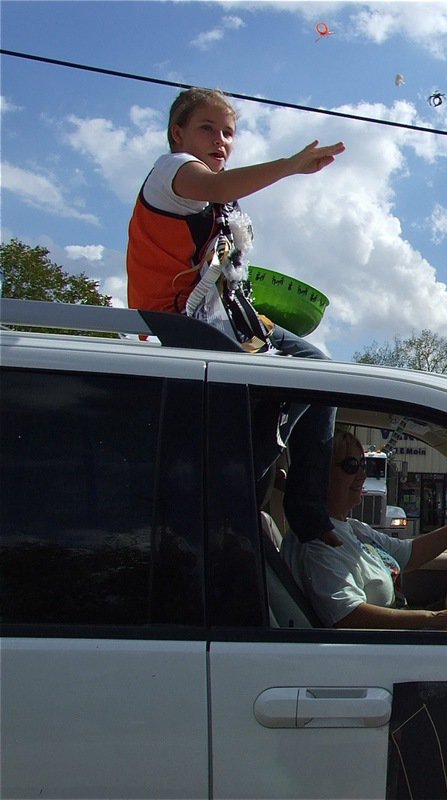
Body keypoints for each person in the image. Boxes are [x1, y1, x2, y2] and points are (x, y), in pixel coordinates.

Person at [127, 87, 346, 547]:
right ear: (178, 133)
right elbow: (214, 185)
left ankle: (301, 512)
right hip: (179, 326)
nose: (220, 140)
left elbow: (227, 270)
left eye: (228, 133)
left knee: (320, 371)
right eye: (207, 129)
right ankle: (232, 503)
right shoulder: (172, 173)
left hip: (228, 320)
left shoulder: (226, 206)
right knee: (271, 404)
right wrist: (288, 166)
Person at [285, 429, 447, 630]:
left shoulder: (354, 528)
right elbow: (347, 616)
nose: (362, 474)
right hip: (378, 653)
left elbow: (411, 553)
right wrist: (432, 618)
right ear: (319, 474)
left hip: (394, 640)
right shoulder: (318, 541)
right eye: (351, 465)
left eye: (363, 464)